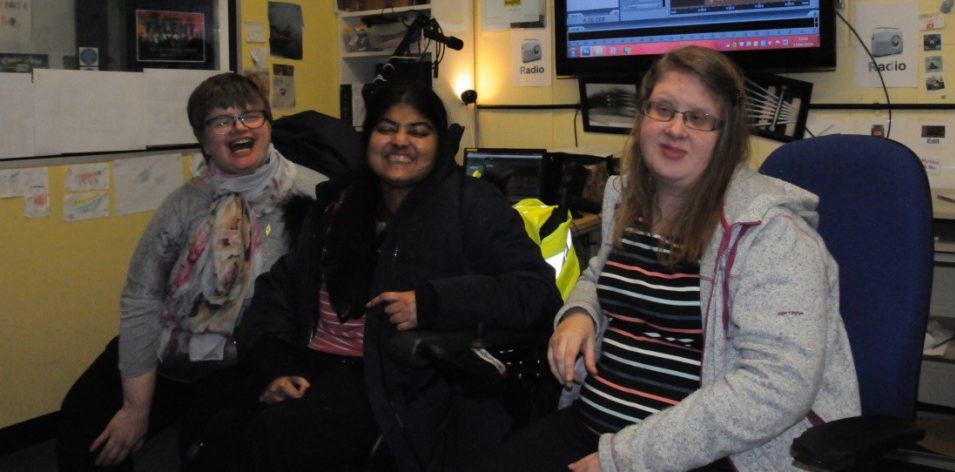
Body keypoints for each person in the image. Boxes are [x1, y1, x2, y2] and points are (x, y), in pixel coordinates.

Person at [486, 46, 860, 471]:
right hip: (595, 428)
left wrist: (625, 458)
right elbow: (600, 276)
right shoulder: (627, 199)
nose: (675, 129)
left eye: (698, 117)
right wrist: (580, 312)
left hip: (711, 455)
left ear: (726, 135)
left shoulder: (769, 231)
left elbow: (777, 384)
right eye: (663, 109)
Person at [197, 81, 562, 472]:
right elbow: (280, 289)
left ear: (439, 142)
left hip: (394, 379)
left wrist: (434, 303)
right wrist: (274, 368)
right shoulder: (339, 204)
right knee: (213, 427)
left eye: (418, 131)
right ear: (368, 138)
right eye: (386, 128)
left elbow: (537, 292)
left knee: (274, 439)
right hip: (309, 363)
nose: (400, 141)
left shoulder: (471, 206)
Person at [56, 73, 312, 471]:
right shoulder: (184, 203)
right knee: (84, 420)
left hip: (251, 357)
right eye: (221, 121)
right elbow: (142, 298)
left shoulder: (310, 194)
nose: (239, 128)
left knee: (216, 447)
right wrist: (135, 408)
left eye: (250, 115)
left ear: (268, 124)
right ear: (203, 140)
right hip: (176, 345)